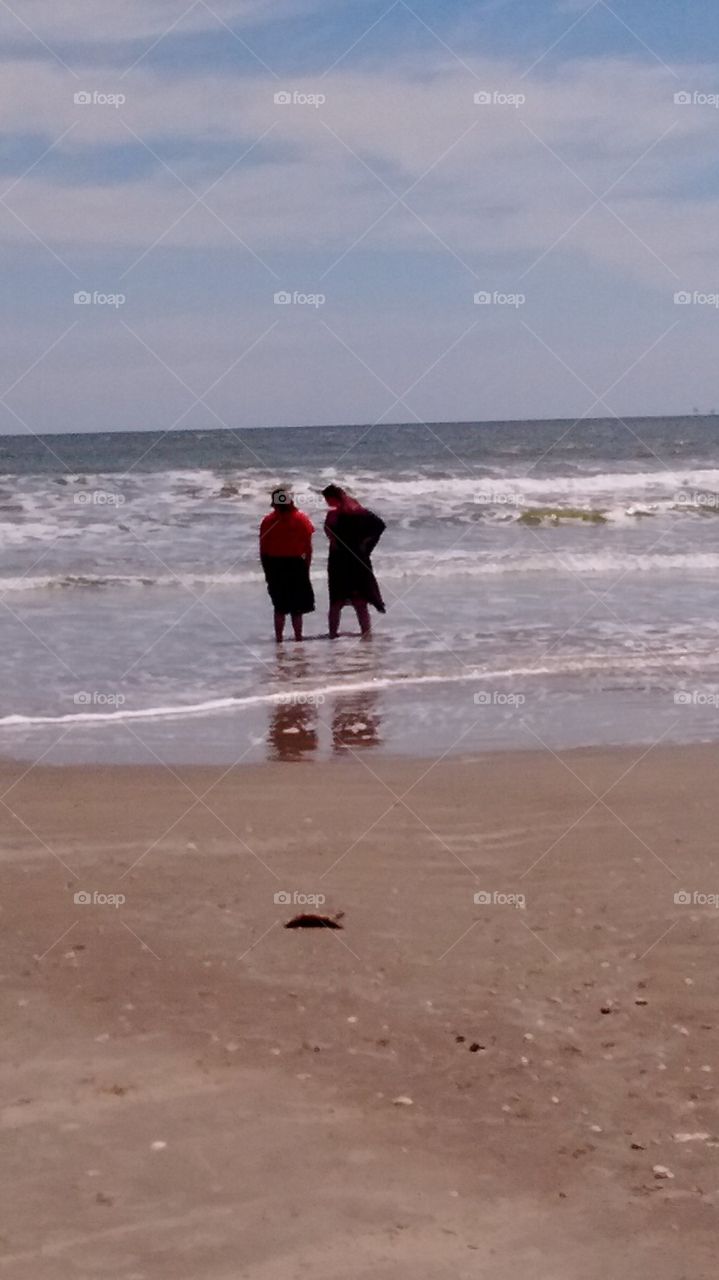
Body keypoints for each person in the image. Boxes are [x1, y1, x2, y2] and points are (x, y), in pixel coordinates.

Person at [321, 484, 386, 638]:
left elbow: (330, 536)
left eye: (327, 499)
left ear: (332, 498)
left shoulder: (333, 516)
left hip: (339, 560)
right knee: (360, 601)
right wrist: (366, 544)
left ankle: (332, 634)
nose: (326, 503)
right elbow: (380, 526)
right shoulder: (359, 512)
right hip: (358, 558)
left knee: (336, 600)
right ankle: (366, 633)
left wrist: (336, 543)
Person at [259, 487, 315, 641]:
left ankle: (279, 639)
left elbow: (263, 549)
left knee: (279, 607)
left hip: (275, 565)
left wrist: (266, 571)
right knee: (297, 609)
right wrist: (307, 568)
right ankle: (298, 637)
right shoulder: (301, 519)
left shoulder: (268, 521)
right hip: (296, 564)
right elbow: (308, 547)